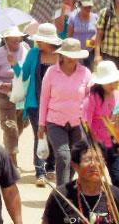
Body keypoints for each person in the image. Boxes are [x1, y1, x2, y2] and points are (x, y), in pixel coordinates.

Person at [11, 23, 60, 187]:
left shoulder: (61, 56)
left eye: (41, 40)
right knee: (40, 134)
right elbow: (23, 75)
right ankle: (40, 171)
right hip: (35, 102)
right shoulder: (33, 53)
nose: (37, 42)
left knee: (53, 134)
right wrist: (14, 65)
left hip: (57, 104)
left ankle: (51, 166)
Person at [39, 38, 92, 186]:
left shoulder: (85, 73)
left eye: (74, 56)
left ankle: (66, 186)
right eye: (68, 55)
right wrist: (41, 124)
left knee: (75, 159)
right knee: (63, 156)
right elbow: (44, 99)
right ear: (61, 55)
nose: (71, 59)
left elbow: (90, 98)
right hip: (55, 122)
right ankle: (63, 193)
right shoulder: (51, 72)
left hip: (78, 123)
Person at [42, 140, 119, 224]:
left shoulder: (114, 194)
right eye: (87, 160)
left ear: (104, 163)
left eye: (98, 159)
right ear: (74, 165)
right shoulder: (60, 196)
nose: (94, 164)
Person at [0, 27, 30, 168]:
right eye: (13, 40)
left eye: (18, 39)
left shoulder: (25, 50)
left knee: (20, 124)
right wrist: (0, 84)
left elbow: (28, 71)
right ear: (6, 40)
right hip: (3, 94)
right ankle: (12, 160)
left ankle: (8, 149)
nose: (17, 42)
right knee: (10, 126)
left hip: (21, 92)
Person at [83, 61, 119, 186]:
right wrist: (91, 145)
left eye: (115, 82)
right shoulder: (91, 98)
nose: (113, 85)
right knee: (96, 178)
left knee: (117, 176)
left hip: (114, 143)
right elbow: (85, 122)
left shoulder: (117, 95)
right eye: (110, 83)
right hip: (97, 144)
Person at [68, 0, 98, 69]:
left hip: (90, 52)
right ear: (80, 5)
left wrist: (95, 37)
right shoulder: (73, 18)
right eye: (85, 7)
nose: (88, 9)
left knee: (89, 72)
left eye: (89, 7)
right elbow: (69, 36)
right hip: (76, 52)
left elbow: (99, 33)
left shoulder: (96, 17)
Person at [95, 0, 119, 69]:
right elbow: (98, 37)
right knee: (107, 81)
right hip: (108, 56)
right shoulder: (105, 13)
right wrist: (97, 55)